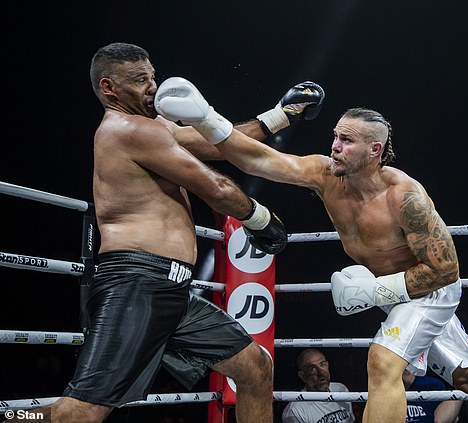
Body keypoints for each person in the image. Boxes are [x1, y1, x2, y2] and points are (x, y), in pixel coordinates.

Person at [153, 78, 468, 423]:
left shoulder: (405, 197)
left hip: (430, 291)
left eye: (347, 140)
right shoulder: (326, 176)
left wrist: (376, 291)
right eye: (336, 136)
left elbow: (445, 271)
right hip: (398, 296)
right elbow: (257, 159)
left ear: (375, 149)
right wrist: (205, 117)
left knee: (382, 360)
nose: (335, 146)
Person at [4, 42, 311, 423]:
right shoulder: (127, 129)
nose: (153, 87)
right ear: (108, 88)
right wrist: (261, 219)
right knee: (81, 414)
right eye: (139, 80)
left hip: (173, 292)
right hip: (137, 284)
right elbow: (215, 188)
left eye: (152, 77)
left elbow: (219, 143)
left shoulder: (154, 127)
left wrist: (281, 115)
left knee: (255, 369)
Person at [281, 348, 355, 423]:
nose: (321, 372)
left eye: (322, 364)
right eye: (312, 368)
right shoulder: (295, 411)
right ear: (302, 376)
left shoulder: (341, 389)